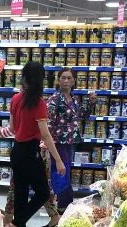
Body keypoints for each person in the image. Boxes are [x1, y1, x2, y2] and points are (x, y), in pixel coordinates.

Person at [2, 61, 65, 227]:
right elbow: (45, 134)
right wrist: (58, 160)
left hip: (17, 151)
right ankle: (15, 225)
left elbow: (12, 128)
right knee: (43, 192)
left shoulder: (15, 99)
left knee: (21, 194)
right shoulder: (38, 103)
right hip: (30, 151)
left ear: (24, 78)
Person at [46, 68, 81, 218]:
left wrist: (91, 102)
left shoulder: (74, 99)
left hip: (70, 141)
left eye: (69, 78)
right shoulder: (54, 100)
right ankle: (63, 208)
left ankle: (66, 206)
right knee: (61, 173)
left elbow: (81, 115)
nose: (66, 81)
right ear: (58, 80)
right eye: (63, 78)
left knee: (65, 172)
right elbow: (48, 124)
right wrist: (46, 143)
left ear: (74, 81)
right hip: (58, 142)